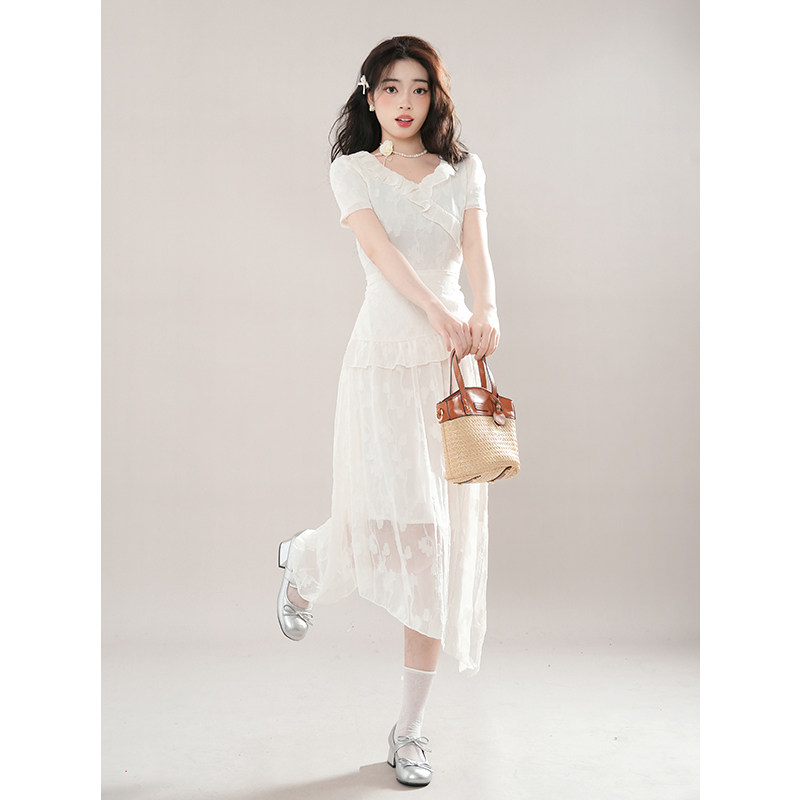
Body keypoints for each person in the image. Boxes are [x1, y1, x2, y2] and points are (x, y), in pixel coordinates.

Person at [276, 35, 500, 788]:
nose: (405, 102)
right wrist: (440, 311)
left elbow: (478, 255)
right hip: (383, 360)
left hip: (449, 365)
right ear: (369, 97)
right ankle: (305, 560)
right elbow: (382, 255)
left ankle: (410, 731)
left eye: (419, 89)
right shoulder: (351, 171)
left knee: (433, 542)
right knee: (372, 520)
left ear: (435, 98)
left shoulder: (464, 171)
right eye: (391, 88)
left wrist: (486, 311)